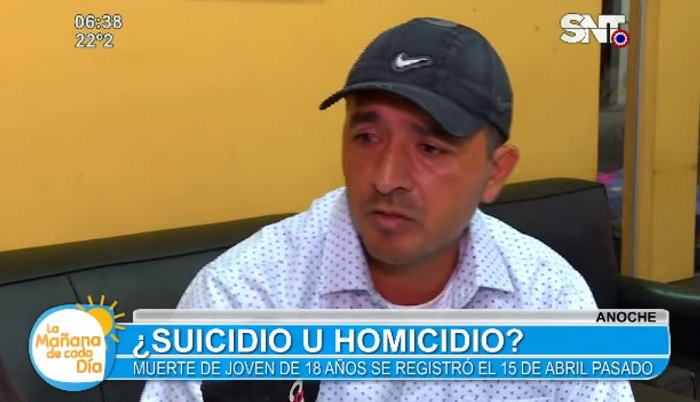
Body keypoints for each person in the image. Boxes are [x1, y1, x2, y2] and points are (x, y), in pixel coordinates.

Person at [141, 17, 635, 401]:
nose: (385, 178)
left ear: (495, 172)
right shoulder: (243, 299)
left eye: (430, 148)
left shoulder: (551, 299)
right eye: (366, 137)